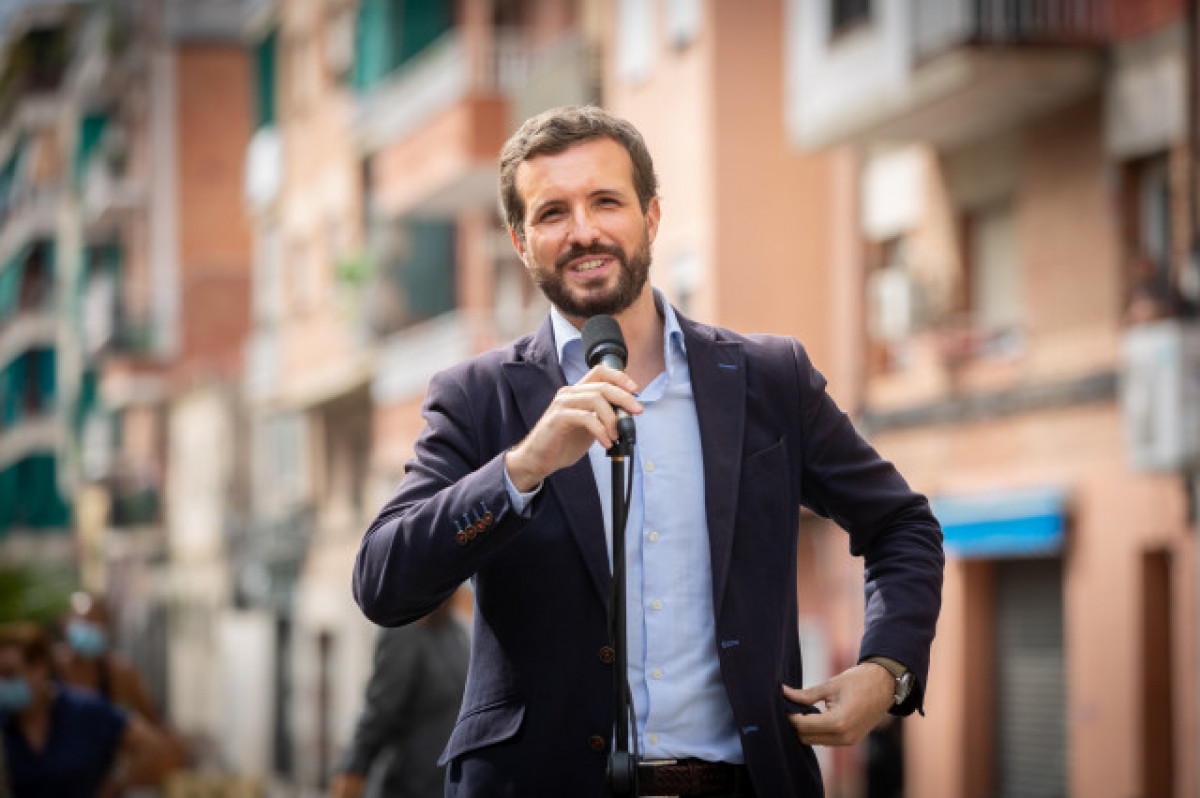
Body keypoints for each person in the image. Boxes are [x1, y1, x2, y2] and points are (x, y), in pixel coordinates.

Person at [352, 105, 944, 797]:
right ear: (520, 241)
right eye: (552, 213)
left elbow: (902, 524)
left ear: (652, 217)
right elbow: (383, 583)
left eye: (606, 201)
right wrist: (523, 468)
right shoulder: (478, 396)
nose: (583, 230)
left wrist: (887, 671)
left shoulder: (767, 379)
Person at [0, 622, 164, 798]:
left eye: (10, 674)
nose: (3, 684)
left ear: (41, 668)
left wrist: (115, 785)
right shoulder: (5, 723)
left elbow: (149, 745)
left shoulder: (86, 710)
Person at [330, 600, 470, 798]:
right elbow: (380, 711)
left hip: (444, 784)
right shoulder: (406, 628)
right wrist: (353, 770)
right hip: (407, 784)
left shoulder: (457, 632)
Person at [56, 592, 188, 789]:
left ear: (108, 629)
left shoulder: (119, 673)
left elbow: (152, 722)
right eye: (86, 620)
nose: (91, 628)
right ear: (65, 622)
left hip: (102, 779)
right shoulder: (48, 671)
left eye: (99, 623)